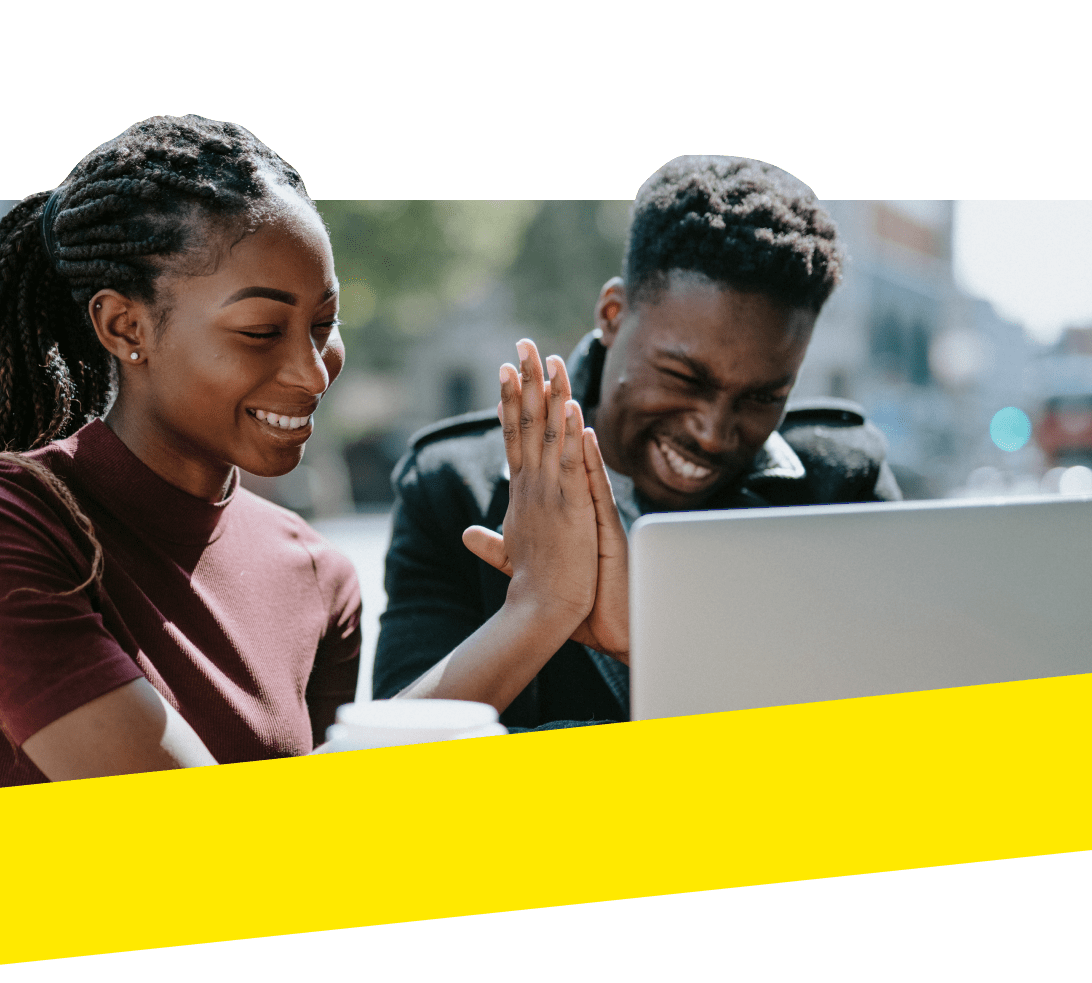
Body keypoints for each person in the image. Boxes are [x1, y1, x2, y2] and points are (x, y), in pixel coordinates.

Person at [0, 115, 618, 795]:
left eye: (324, 323)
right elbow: (215, 843)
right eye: (261, 330)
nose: (313, 372)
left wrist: (546, 604)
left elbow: (314, 832)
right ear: (124, 325)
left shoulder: (317, 573)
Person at [373, 156, 901, 728]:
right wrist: (541, 607)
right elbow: (387, 757)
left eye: (762, 397)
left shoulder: (842, 485)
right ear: (612, 314)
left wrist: (647, 647)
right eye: (684, 379)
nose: (713, 432)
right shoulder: (452, 489)